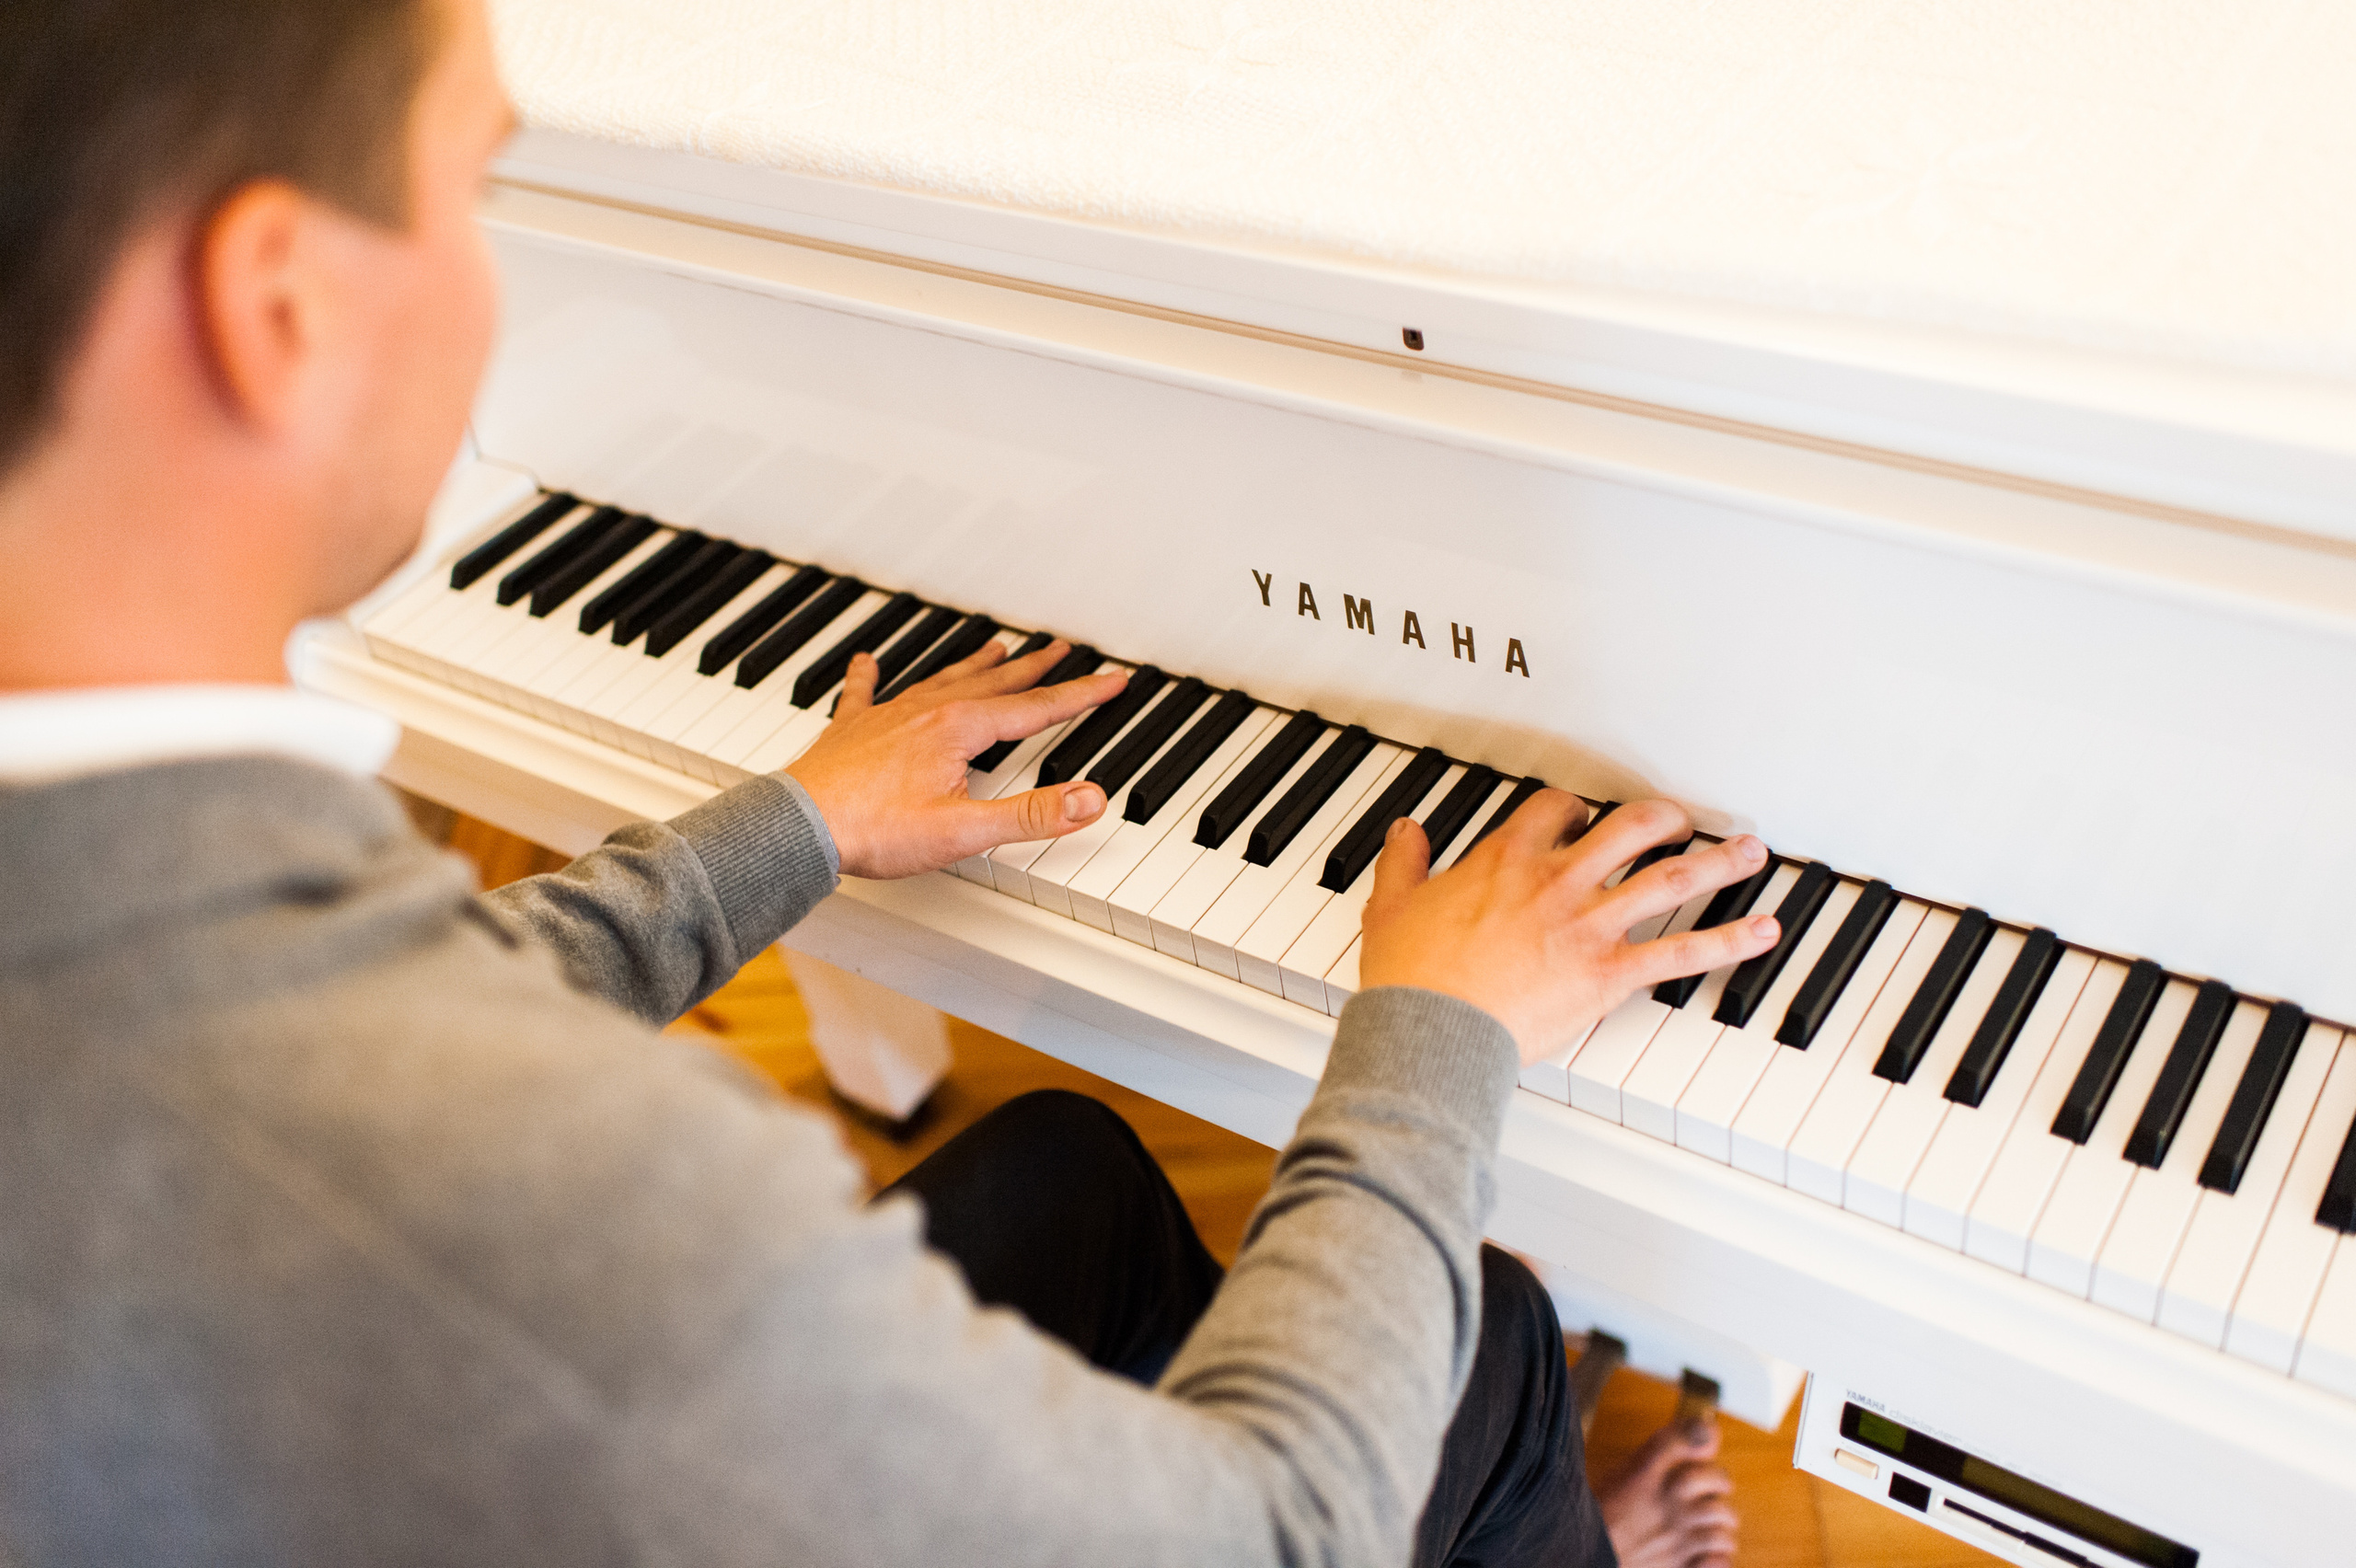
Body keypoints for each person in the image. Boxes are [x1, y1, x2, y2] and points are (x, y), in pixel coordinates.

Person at [0, 1, 1773, 1562]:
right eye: (477, 189)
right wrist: (1435, 1027)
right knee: (1500, 1343)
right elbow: (1280, 1528)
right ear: (274, 306)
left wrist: (799, 824)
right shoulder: (524, 1202)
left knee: (1074, 1178)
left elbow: (380, 1024)